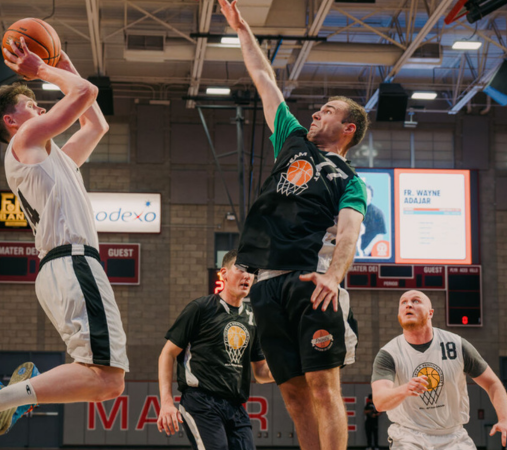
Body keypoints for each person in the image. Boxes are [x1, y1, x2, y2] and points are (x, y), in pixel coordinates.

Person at [0, 38, 128, 445]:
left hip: (65, 268)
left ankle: (3, 397)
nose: (40, 108)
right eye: (31, 104)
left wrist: (61, 61)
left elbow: (96, 124)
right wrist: (42, 69)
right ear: (11, 121)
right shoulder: (23, 143)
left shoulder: (54, 159)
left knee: (107, 382)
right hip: (72, 264)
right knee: (107, 380)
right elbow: (85, 91)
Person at [219, 1, 369, 449]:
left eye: (327, 110)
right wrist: (243, 31)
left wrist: (333, 276)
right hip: (266, 283)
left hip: (310, 280)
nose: (316, 114)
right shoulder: (292, 140)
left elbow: (349, 234)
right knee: (292, 394)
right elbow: (265, 81)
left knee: (323, 388)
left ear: (347, 128)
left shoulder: (350, 181)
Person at [371, 290, 507, 450]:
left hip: (453, 436)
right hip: (409, 436)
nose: (408, 305)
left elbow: (492, 383)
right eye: (403, 302)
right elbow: (379, 401)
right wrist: (404, 390)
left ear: (430, 313)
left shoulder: (457, 345)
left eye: (416, 301)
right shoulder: (389, 353)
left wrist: (505, 419)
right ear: (399, 315)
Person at [157, 250, 274, 450]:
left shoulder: (252, 318)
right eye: (241, 269)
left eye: (252, 271)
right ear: (224, 274)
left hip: (235, 406)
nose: (247, 276)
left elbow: (261, 372)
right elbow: (167, 354)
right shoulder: (201, 308)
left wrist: (291, 370)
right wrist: (166, 401)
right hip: (201, 402)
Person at [359, 185, 387, 257]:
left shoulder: (378, 213)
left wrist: (365, 252)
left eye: (367, 193)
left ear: (371, 196)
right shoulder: (353, 212)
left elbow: (380, 235)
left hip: (371, 255)